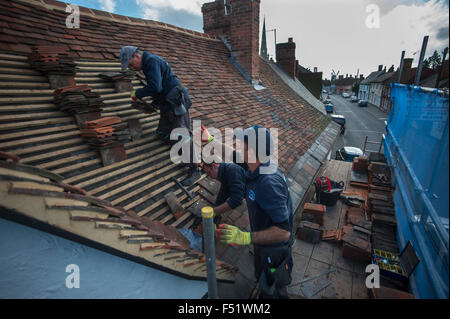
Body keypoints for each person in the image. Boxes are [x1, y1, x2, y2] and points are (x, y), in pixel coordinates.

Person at [215, 125, 294, 299]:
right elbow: (233, 155)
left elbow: (284, 232)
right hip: (263, 246)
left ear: (251, 151)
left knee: (273, 291)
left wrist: (246, 237)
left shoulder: (268, 183)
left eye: (242, 145)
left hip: (275, 251)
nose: (238, 148)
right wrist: (211, 141)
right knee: (263, 281)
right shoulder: (256, 165)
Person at [119, 46, 200, 186]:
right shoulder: (148, 64)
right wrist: (154, 104)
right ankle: (184, 157)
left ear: (136, 56)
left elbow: (155, 87)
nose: (131, 68)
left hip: (176, 102)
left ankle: (195, 168)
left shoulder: (151, 61)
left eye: (131, 64)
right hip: (167, 103)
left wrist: (137, 94)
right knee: (162, 133)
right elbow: (159, 88)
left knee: (182, 134)